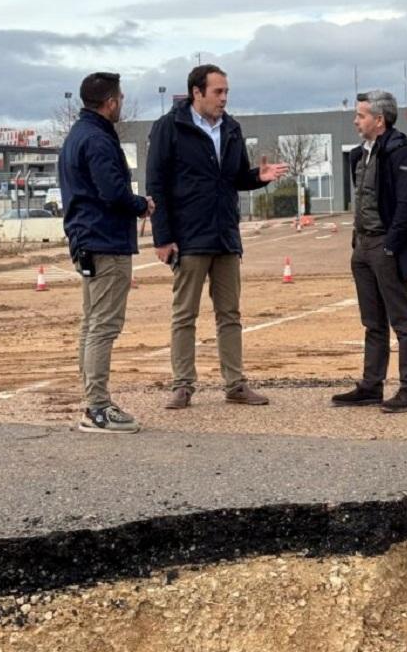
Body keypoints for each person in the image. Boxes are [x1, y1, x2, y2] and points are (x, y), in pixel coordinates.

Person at [147, 64, 288, 409]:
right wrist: (163, 238)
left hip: (225, 236)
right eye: (217, 92)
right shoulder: (169, 128)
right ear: (197, 92)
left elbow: (236, 177)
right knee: (185, 315)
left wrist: (259, 176)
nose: (224, 99)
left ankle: (235, 384)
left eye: (226, 92)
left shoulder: (232, 128)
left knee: (230, 314)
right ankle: (183, 385)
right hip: (188, 237)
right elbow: (156, 186)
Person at [57, 71, 153, 433]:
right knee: (103, 325)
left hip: (87, 239)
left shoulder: (77, 135)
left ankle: (92, 401)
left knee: (92, 321)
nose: (122, 104)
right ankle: (97, 406)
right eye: (121, 98)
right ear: (110, 101)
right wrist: (141, 204)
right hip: (104, 240)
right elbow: (112, 192)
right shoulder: (97, 139)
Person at [332, 90, 407, 413]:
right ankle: (371, 386)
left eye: (360, 115)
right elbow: (363, 199)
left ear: (379, 119)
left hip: (385, 245)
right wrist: (357, 240)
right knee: (372, 321)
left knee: (402, 321)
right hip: (362, 245)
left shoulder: (400, 151)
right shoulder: (361, 154)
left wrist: (391, 245)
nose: (355, 120)